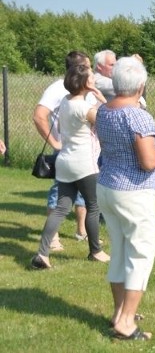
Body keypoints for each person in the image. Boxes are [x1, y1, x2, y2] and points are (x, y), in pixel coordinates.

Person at [95, 57, 155, 341]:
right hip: (133, 192)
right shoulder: (137, 115)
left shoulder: (103, 110)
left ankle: (118, 313)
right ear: (141, 85)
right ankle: (126, 322)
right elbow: (148, 161)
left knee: (120, 252)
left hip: (107, 187)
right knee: (140, 255)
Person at [31, 61, 110, 269]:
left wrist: (90, 91)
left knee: (60, 209)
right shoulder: (85, 108)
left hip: (64, 161)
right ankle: (96, 251)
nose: (94, 80)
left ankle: (42, 254)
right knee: (93, 207)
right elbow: (108, 118)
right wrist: (100, 97)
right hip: (85, 164)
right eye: (92, 78)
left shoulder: (65, 101)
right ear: (84, 83)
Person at [32, 51, 92, 250]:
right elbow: (39, 115)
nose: (91, 70)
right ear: (78, 68)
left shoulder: (84, 89)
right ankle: (53, 238)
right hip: (65, 151)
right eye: (88, 66)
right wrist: (56, 143)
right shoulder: (57, 88)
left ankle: (81, 231)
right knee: (59, 194)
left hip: (85, 152)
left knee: (83, 193)